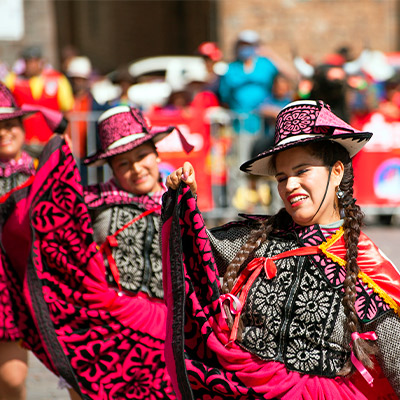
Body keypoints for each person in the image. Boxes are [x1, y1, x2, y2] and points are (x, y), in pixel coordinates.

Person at [162, 99, 400, 399]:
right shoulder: (256, 240)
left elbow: (396, 358)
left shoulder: (367, 266)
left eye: (302, 171)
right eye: (282, 177)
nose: (290, 186)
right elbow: (196, 253)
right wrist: (186, 200)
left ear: (336, 171)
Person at [1, 104, 192, 399]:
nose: (136, 168)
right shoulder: (90, 204)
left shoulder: (180, 201)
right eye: (123, 163)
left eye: (142, 156)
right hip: (104, 329)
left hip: (163, 332)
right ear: (112, 169)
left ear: (157, 154)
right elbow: (48, 227)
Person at [0, 82, 68, 400]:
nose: (4, 133)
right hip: (3, 289)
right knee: (10, 379)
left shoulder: (41, 172)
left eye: (10, 124)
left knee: (73, 375)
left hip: (41, 282)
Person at [5, 45, 74, 157]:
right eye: (28, 62)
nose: (31, 65)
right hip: (24, 143)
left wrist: (66, 136)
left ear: (41, 61)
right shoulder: (13, 80)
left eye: (34, 61)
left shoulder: (57, 79)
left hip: (50, 140)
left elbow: (67, 112)